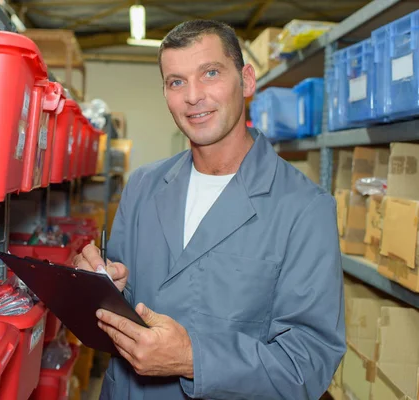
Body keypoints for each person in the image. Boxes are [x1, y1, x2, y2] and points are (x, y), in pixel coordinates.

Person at [73, 19, 345, 400]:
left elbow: (308, 364)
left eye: (211, 73)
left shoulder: (304, 209)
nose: (192, 96)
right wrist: (101, 288)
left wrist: (193, 360)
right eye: (176, 81)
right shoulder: (144, 186)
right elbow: (126, 302)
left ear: (247, 81)